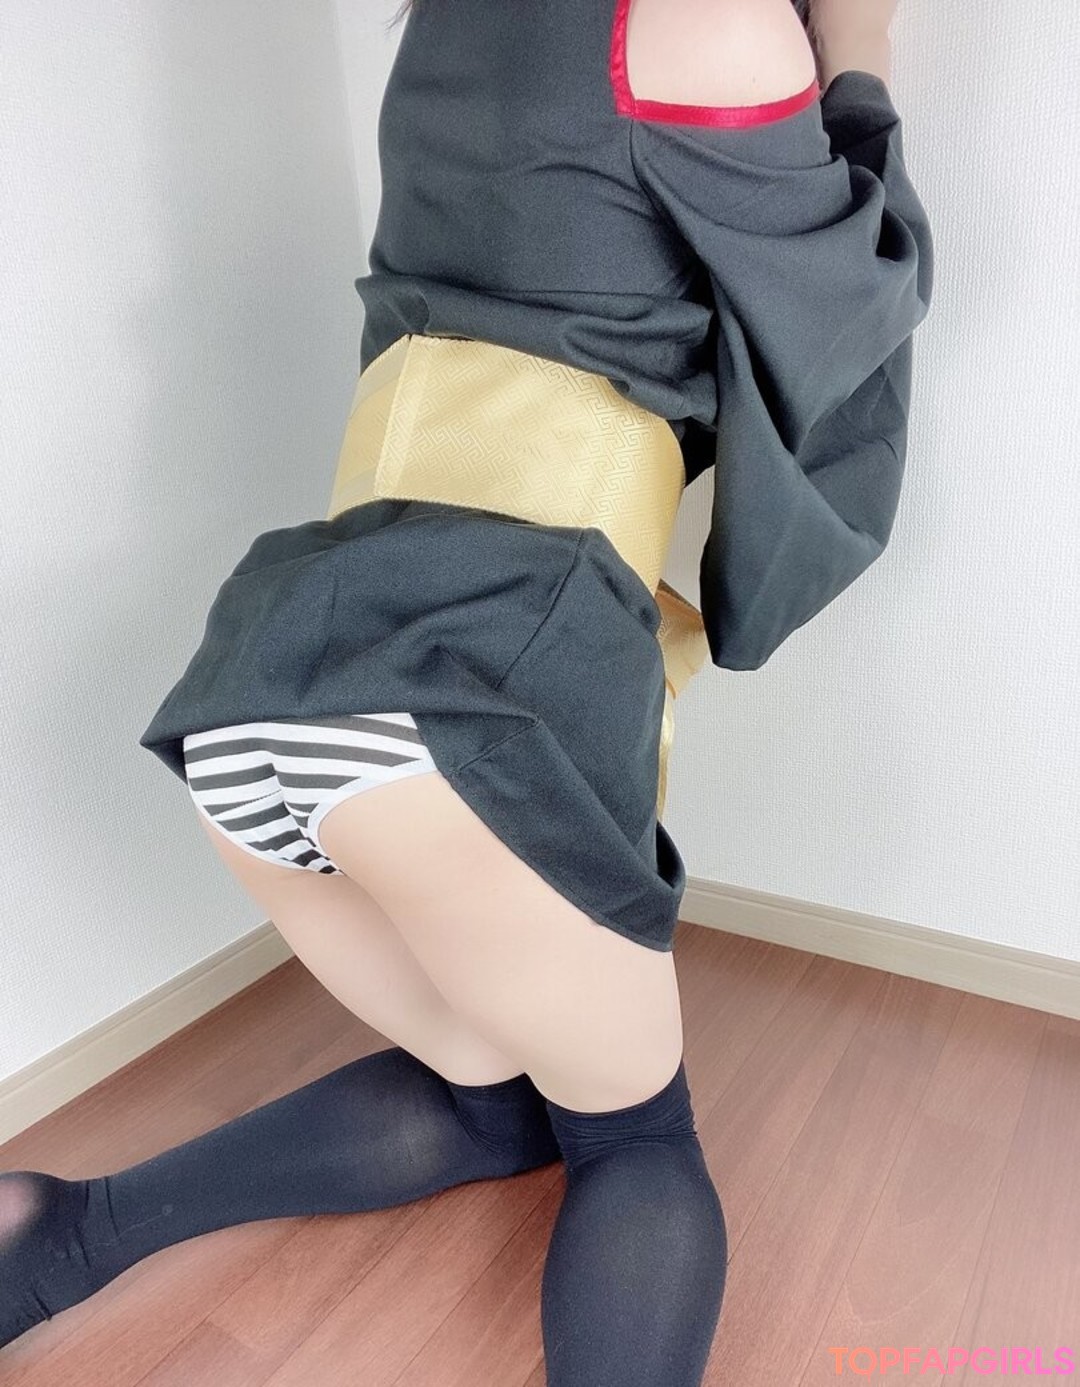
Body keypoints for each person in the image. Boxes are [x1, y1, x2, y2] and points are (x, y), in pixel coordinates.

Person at [0, 0, 933, 1381]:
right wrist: (862, 51)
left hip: (269, 687)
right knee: (633, 1139)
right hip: (474, 681)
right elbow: (846, 326)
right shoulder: (704, 25)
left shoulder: (448, 16)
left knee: (498, 1104)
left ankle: (59, 1234)